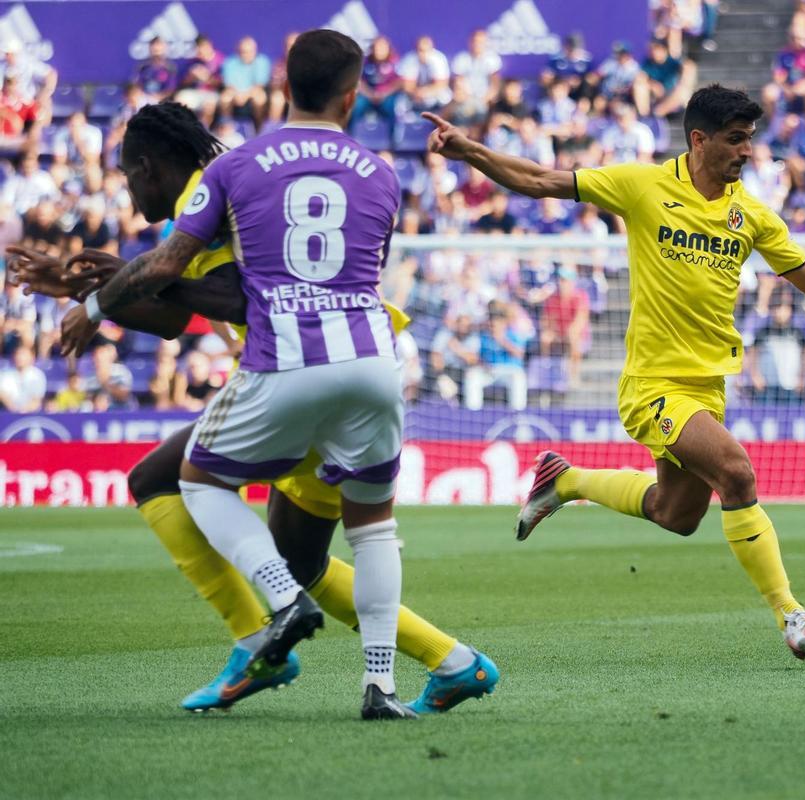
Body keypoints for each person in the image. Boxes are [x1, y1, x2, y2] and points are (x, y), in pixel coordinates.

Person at [421, 84, 805, 660]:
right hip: (653, 385)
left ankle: (564, 480)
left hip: (707, 388)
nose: (747, 152)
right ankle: (791, 615)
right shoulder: (643, 185)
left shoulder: (752, 216)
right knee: (738, 474)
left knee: (676, 515)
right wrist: (469, 151)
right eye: (735, 140)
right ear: (699, 140)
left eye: (750, 140)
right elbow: (543, 180)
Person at [11, 100, 496, 716]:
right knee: (304, 564)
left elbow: (239, 298)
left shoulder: (209, 197)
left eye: (128, 174)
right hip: (348, 369)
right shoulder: (220, 191)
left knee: (163, 480)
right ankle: (454, 662)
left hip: (295, 376)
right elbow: (172, 318)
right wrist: (99, 286)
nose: (126, 189)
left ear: (150, 165)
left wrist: (113, 292)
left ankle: (256, 644)